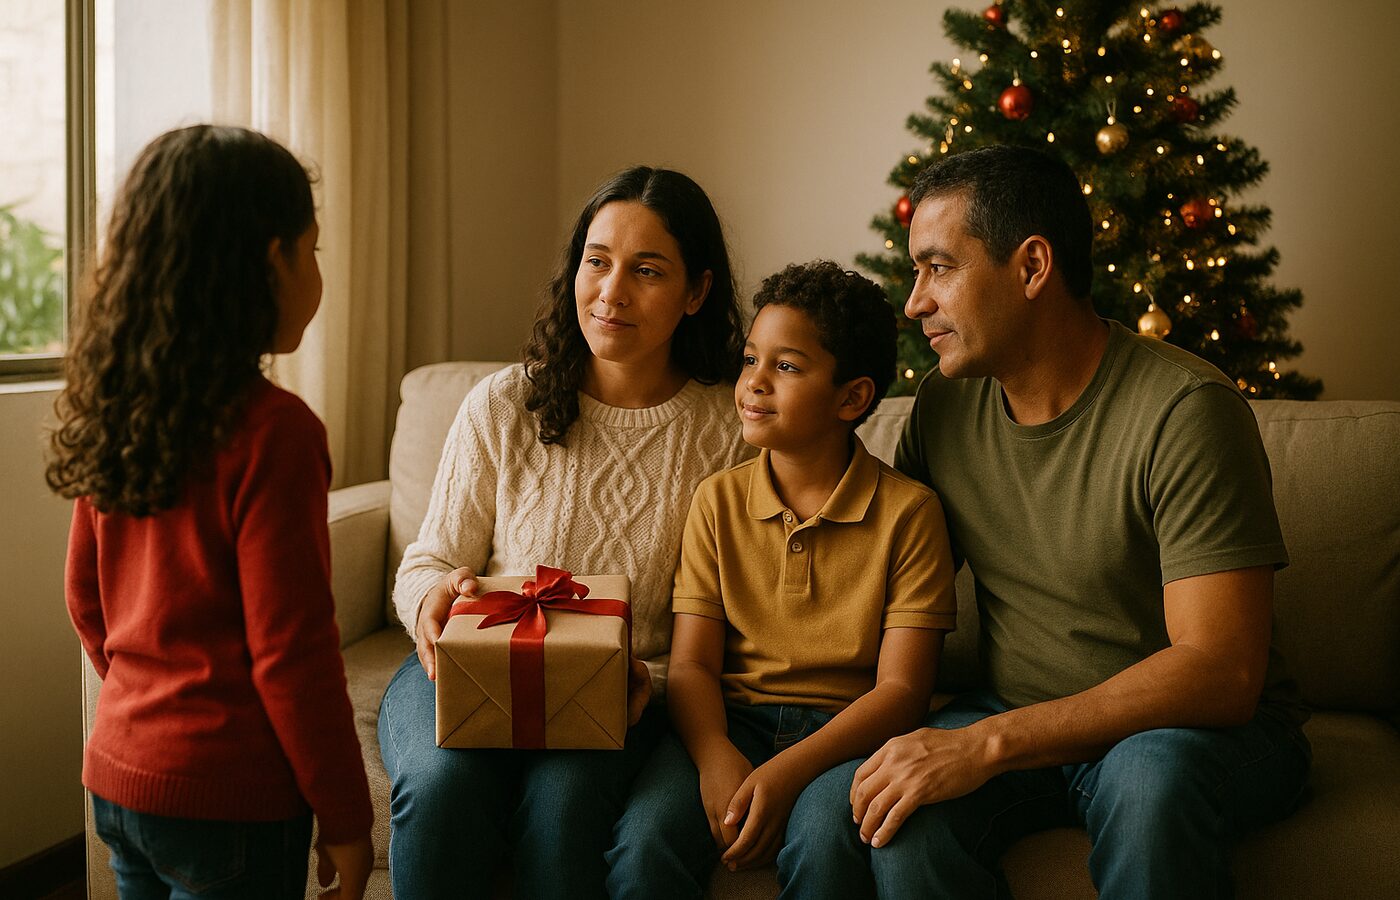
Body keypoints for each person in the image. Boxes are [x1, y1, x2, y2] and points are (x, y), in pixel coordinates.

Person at [795, 144, 1311, 899]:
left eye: (939, 268)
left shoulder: (1186, 411)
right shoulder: (946, 406)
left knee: (1148, 785)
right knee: (901, 823)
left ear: (1032, 267)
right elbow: (872, 585)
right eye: (915, 272)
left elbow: (1221, 671)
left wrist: (988, 744)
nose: (915, 302)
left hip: (1190, 733)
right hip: (1013, 707)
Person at [379, 166, 752, 899]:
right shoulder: (502, 404)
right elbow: (428, 561)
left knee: (562, 809)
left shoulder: (730, 429)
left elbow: (733, 620)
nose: (611, 292)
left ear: (697, 292)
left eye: (648, 270)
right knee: (441, 790)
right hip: (468, 670)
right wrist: (432, 602)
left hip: (623, 693)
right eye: (597, 261)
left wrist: (640, 678)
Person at [49, 125, 373, 899]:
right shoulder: (276, 433)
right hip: (231, 802)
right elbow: (293, 652)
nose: (317, 272)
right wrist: (345, 815)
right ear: (272, 261)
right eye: (314, 250)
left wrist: (149, 713)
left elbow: (85, 599)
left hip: (120, 774)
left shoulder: (119, 409)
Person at [605, 261, 958, 897]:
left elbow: (903, 691)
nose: (754, 382)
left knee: (823, 849)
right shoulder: (716, 502)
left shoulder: (911, 514)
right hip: (731, 721)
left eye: (787, 366)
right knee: (644, 845)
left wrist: (787, 772)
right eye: (750, 359)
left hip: (847, 736)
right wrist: (714, 753)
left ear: (852, 398)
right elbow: (691, 665)